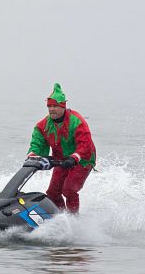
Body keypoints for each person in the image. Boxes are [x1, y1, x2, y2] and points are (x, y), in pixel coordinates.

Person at [27, 83, 96, 213]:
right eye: (49, 106)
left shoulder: (77, 121)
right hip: (61, 159)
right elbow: (37, 143)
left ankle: (73, 220)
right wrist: (33, 154)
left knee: (69, 190)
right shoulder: (43, 125)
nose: (51, 109)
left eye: (55, 106)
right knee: (52, 193)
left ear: (63, 106)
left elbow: (85, 144)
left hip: (83, 159)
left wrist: (75, 157)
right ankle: (61, 220)